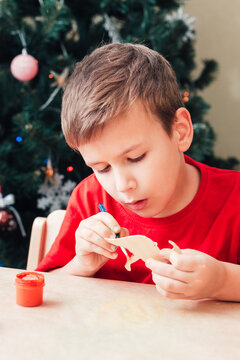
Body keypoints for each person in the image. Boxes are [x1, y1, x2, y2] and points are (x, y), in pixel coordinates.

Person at [36, 43, 240, 301]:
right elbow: (45, 293)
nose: (122, 186)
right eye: (103, 168)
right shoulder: (90, 198)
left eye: (135, 157)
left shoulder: (234, 200)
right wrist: (81, 265)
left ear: (181, 131)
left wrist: (222, 281)